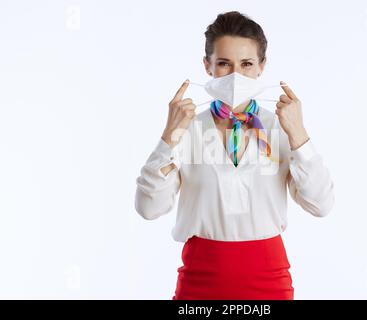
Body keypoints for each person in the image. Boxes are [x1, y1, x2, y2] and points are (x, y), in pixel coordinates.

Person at [134, 11, 335, 300]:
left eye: (247, 64)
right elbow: (148, 209)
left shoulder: (281, 127)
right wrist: (169, 136)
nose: (236, 75)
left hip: (269, 281)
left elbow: (321, 204)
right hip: (199, 280)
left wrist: (299, 134)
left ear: (261, 67)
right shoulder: (186, 129)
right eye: (224, 64)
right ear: (208, 66)